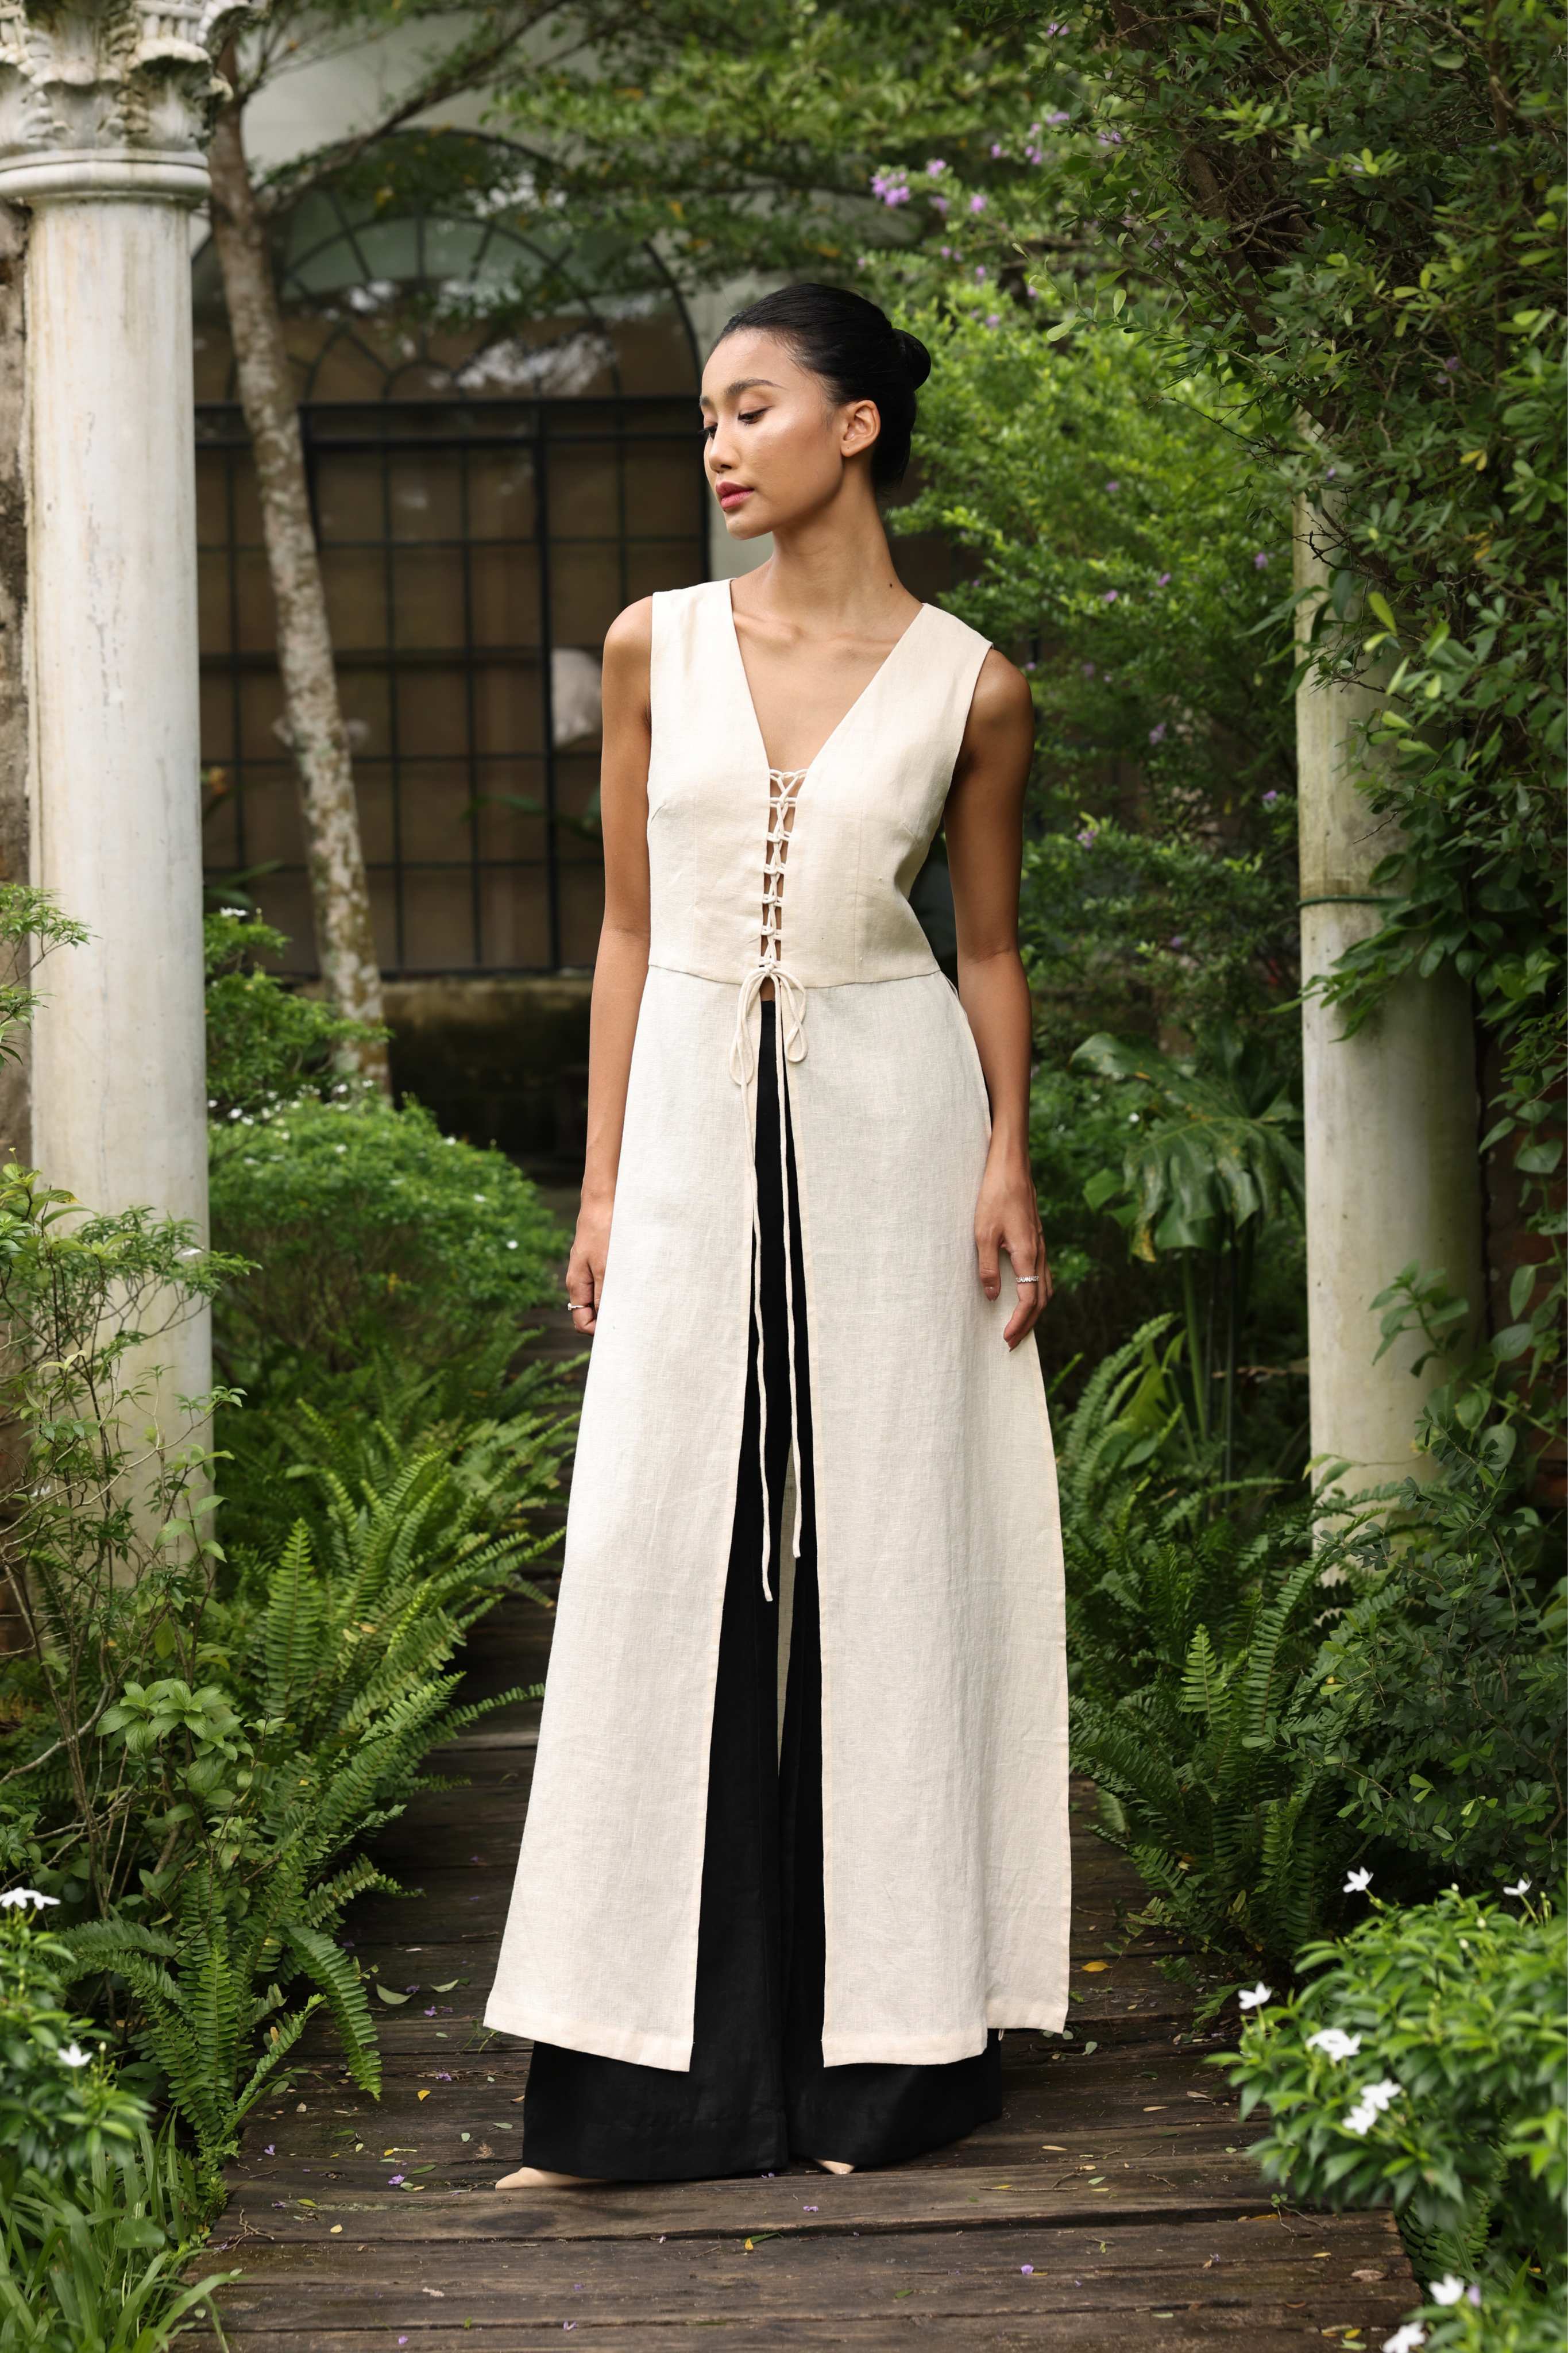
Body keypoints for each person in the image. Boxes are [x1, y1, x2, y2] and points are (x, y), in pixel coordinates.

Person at [483, 282, 1071, 2186]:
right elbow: (632, 934)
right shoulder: (652, 646)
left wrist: (1008, 1163)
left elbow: (981, 947)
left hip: (900, 1131)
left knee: (894, 1549)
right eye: (706, 419)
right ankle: (652, 2074)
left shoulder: (974, 684)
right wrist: (599, 1182)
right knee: (675, 1546)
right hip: (684, 1145)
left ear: (856, 429)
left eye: (751, 408)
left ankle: (891, 2050)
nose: (720, 446)